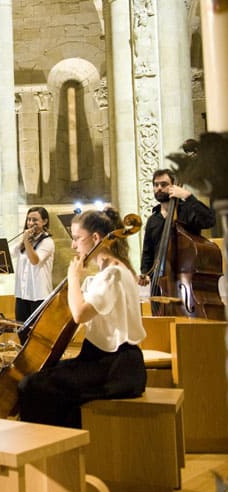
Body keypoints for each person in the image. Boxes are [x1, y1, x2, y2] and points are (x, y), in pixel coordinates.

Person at [17, 208, 147, 428]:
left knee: (31, 386)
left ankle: (60, 448)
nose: (73, 245)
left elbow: (79, 314)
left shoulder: (113, 274)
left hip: (117, 367)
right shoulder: (108, 271)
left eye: (77, 238)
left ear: (96, 238)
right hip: (104, 360)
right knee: (43, 379)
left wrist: (74, 278)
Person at [139, 168, 216, 285]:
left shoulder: (187, 210)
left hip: (187, 281)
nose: (159, 188)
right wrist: (146, 274)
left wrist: (188, 196)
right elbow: (148, 253)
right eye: (156, 185)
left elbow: (209, 220)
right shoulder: (152, 220)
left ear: (173, 187)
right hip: (160, 283)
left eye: (164, 184)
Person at [13, 206, 55, 323]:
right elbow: (10, 252)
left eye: (35, 220)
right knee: (21, 330)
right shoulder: (25, 240)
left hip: (38, 295)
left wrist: (27, 241)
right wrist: (24, 240)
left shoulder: (47, 242)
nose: (31, 223)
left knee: (35, 334)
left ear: (44, 221)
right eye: (29, 220)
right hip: (22, 294)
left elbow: (35, 261)